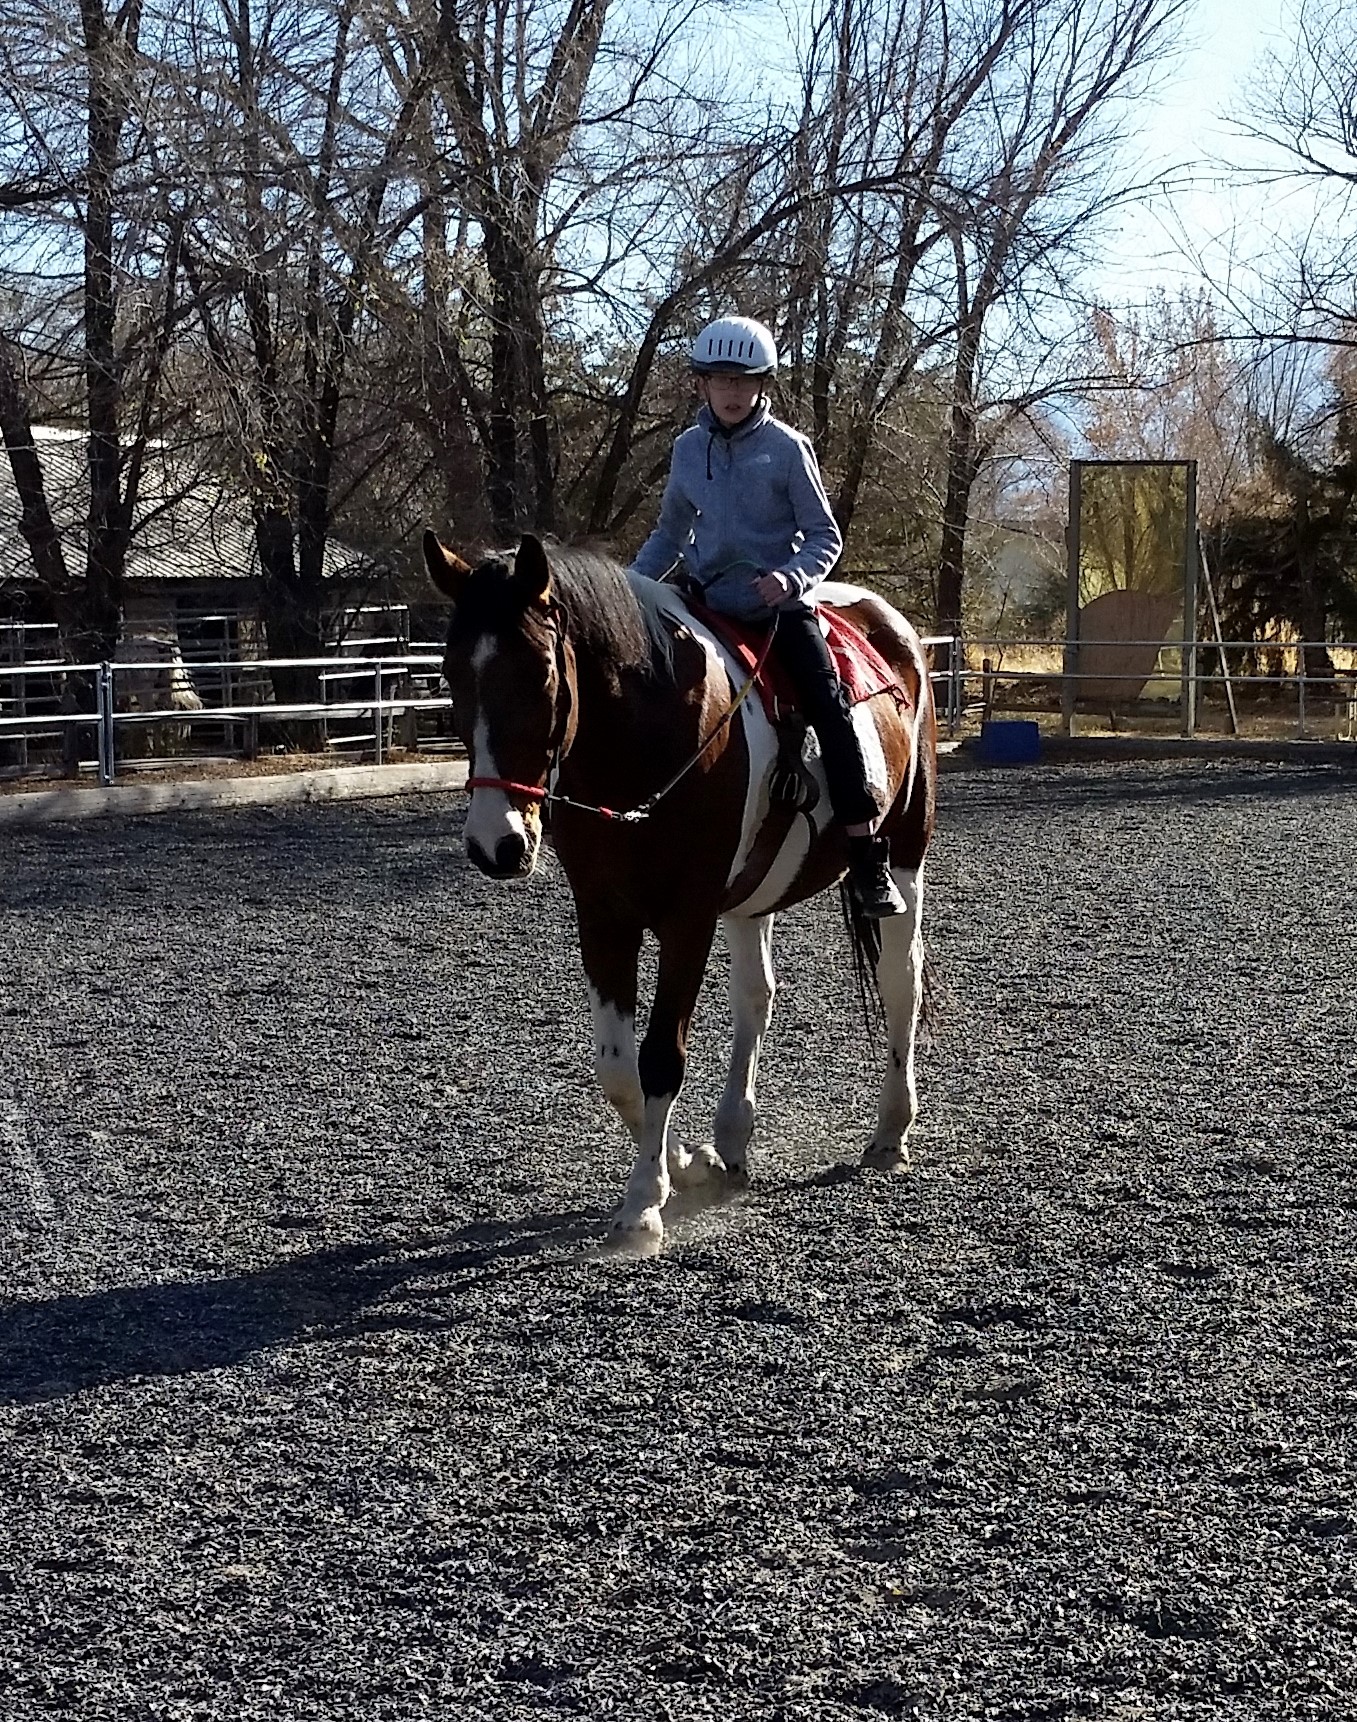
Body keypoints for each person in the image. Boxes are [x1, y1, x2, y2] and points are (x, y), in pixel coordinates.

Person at [628, 313, 906, 917]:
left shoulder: (787, 449)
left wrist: (791, 577)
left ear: (763, 386)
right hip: (704, 602)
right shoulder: (686, 449)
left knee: (829, 705)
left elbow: (823, 535)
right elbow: (670, 533)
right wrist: (629, 587)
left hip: (776, 608)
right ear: (702, 384)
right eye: (720, 379)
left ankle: (865, 856)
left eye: (743, 380)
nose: (731, 392)